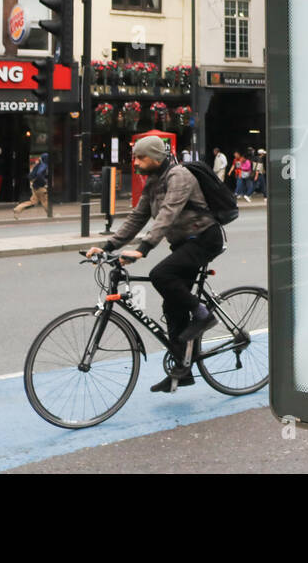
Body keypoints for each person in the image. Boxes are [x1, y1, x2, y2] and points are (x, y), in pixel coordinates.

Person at [85, 136, 223, 393]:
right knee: (172, 306)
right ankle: (182, 371)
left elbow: (168, 214)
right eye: (134, 157)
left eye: (140, 157)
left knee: (161, 275)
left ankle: (203, 313)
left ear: (156, 158)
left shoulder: (179, 176)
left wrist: (143, 249)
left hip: (205, 238)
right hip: (184, 243)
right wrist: (107, 246)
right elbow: (138, 216)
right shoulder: (153, 181)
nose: (135, 162)